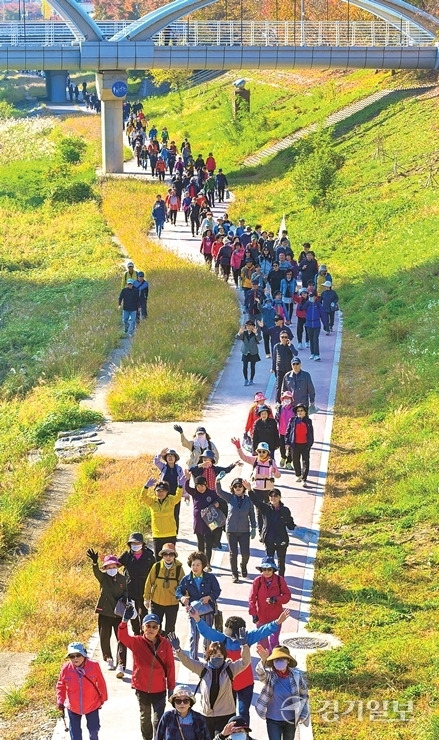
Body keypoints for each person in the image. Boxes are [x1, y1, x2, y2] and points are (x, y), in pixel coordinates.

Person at [193, 609, 290, 728]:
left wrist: (277, 622)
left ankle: (244, 735)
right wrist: (197, 618)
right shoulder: (223, 639)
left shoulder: (247, 638)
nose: (232, 639)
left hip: (246, 683)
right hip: (227, 684)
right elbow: (207, 631)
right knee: (229, 714)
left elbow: (263, 631)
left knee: (244, 712)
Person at [169, 632, 251, 739]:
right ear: (208, 656)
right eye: (213, 655)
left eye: (219, 655)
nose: (217, 658)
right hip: (206, 715)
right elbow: (188, 662)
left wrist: (244, 646)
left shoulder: (230, 668)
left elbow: (245, 661)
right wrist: (178, 649)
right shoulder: (203, 668)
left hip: (225, 715)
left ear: (224, 656)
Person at [119, 610, 175, 740]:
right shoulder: (136, 642)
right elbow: (122, 637)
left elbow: (170, 667)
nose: (151, 629)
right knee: (145, 718)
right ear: (143, 627)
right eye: (148, 626)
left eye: (154, 626)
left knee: (159, 719)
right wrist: (124, 621)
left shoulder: (165, 645)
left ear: (159, 629)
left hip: (159, 690)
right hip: (142, 688)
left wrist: (171, 687)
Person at [85, 550, 127, 678]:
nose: (112, 569)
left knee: (122, 639)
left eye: (114, 567)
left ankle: (121, 664)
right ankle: (108, 659)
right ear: (106, 568)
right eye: (109, 567)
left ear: (117, 567)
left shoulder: (123, 579)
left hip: (119, 613)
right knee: (104, 637)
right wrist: (94, 562)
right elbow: (96, 572)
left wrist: (125, 598)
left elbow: (126, 591)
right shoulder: (103, 578)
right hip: (105, 612)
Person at [255, 644, 310, 738]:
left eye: (282, 659)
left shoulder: (296, 677)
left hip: (290, 720)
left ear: (288, 661)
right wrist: (263, 659)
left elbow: (304, 695)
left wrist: (303, 713)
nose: (279, 662)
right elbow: (261, 674)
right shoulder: (270, 676)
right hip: (273, 720)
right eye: (276, 660)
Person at [56, 641, 107, 740]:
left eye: (78, 655)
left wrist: (102, 699)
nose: (75, 658)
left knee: (94, 730)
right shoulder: (66, 668)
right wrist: (60, 700)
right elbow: (60, 685)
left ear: (84, 654)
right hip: (73, 706)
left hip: (92, 705)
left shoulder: (94, 666)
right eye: (72, 656)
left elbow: (101, 683)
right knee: (75, 734)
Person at [175, 550, 221, 659]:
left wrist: (209, 597)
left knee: (208, 635)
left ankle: (208, 657)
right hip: (193, 611)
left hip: (208, 610)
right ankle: (193, 659)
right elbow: (178, 591)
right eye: (193, 565)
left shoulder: (210, 578)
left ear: (203, 566)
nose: (195, 567)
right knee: (194, 635)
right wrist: (182, 598)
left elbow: (217, 591)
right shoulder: (186, 579)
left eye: (198, 565)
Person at [215, 474, 256, 583]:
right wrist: (217, 481)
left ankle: (243, 565)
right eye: (235, 486)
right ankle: (234, 573)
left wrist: (254, 527)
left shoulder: (248, 500)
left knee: (246, 553)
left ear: (243, 488)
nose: (238, 488)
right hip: (231, 530)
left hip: (244, 531)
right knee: (233, 553)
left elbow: (252, 514)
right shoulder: (230, 498)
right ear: (232, 488)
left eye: (240, 486)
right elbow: (219, 492)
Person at [248, 490, 295, 578]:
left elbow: (290, 524)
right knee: (269, 562)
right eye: (271, 496)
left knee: (281, 562)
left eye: (275, 496)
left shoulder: (285, 510)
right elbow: (255, 501)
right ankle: (270, 580)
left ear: (279, 497)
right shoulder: (266, 508)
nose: (273, 498)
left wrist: (296, 528)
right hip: (269, 540)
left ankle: (281, 581)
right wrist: (250, 490)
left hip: (281, 540)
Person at [248, 557, 290, 649]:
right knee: (262, 641)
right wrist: (254, 615)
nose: (267, 571)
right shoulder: (257, 581)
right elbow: (252, 599)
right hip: (261, 616)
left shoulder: (280, 580)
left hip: (276, 617)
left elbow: (287, 596)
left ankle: (273, 661)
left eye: (269, 569)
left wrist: (276, 599)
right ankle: (264, 661)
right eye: (264, 569)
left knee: (274, 641)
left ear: (273, 570)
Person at [118, 532, 155, 636]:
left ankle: (144, 634)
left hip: (144, 588)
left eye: (138, 542)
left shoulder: (149, 556)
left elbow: (155, 571)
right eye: (133, 543)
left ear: (142, 544)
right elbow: (116, 564)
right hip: (130, 589)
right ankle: (136, 634)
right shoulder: (127, 555)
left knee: (143, 613)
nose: (135, 545)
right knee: (132, 614)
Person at [143, 543, 184, 634]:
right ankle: (156, 646)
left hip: (172, 603)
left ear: (174, 555)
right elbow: (149, 582)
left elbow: (184, 586)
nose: (168, 557)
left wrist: (185, 599)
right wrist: (146, 598)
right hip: (157, 602)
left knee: (170, 628)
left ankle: (169, 646)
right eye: (165, 554)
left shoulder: (179, 569)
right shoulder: (156, 567)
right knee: (156, 627)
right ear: (162, 555)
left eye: (171, 554)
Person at [185, 475, 221, 568]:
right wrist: (187, 479)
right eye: (198, 486)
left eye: (202, 486)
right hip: (198, 523)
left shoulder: (212, 493)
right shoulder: (195, 493)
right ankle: (201, 562)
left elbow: (219, 499)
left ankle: (208, 563)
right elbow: (187, 488)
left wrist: (217, 503)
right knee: (200, 544)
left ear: (206, 485)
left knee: (208, 544)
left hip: (210, 522)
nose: (200, 488)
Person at [141, 479, 182, 559]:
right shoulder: (152, 502)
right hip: (157, 535)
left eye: (163, 491)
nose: (161, 493)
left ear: (167, 492)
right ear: (155, 492)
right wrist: (146, 487)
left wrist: (180, 486)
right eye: (158, 491)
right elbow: (143, 497)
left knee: (170, 558)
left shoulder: (171, 500)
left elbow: (178, 497)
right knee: (158, 559)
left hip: (170, 534)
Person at [154, 447, 186, 532]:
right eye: (168, 456)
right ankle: (165, 530)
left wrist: (185, 494)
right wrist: (160, 454)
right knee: (164, 513)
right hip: (164, 494)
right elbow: (156, 462)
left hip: (176, 494)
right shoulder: (163, 467)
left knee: (175, 513)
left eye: (172, 456)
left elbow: (183, 481)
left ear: (175, 458)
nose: (170, 457)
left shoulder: (179, 469)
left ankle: (175, 532)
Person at [285, 404, 314, 488]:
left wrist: (310, 444)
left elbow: (311, 433)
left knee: (305, 461)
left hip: (305, 445)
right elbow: (288, 432)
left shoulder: (308, 421)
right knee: (295, 461)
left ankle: (304, 479)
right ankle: (299, 475)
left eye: (301, 410)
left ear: (305, 412)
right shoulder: (293, 420)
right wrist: (287, 443)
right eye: (298, 411)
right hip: (295, 445)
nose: (300, 412)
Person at [271, 332, 299, 403]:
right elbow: (274, 358)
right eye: (282, 337)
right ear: (280, 338)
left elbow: (296, 353)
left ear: (288, 338)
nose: (284, 339)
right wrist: (273, 368)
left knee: (290, 385)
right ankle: (278, 402)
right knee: (279, 386)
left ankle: (290, 400)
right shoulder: (276, 346)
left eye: (285, 337)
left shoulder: (289, 346)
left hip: (289, 369)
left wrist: (291, 346)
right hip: (280, 369)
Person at [237, 319, 261, 387]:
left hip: (253, 352)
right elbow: (237, 338)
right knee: (245, 366)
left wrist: (256, 333)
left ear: (253, 326)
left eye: (250, 326)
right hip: (245, 352)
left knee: (252, 367)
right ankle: (245, 379)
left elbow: (259, 339)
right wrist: (239, 332)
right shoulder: (244, 333)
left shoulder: (255, 333)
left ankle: (251, 379)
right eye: (247, 326)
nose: (248, 327)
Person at [276, 391, 294, 469]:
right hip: (282, 431)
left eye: (288, 398)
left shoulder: (294, 409)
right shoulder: (280, 408)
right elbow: (276, 419)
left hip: (291, 432)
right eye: (285, 398)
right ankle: (283, 457)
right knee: (282, 447)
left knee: (291, 448)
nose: (287, 400)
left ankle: (289, 462)